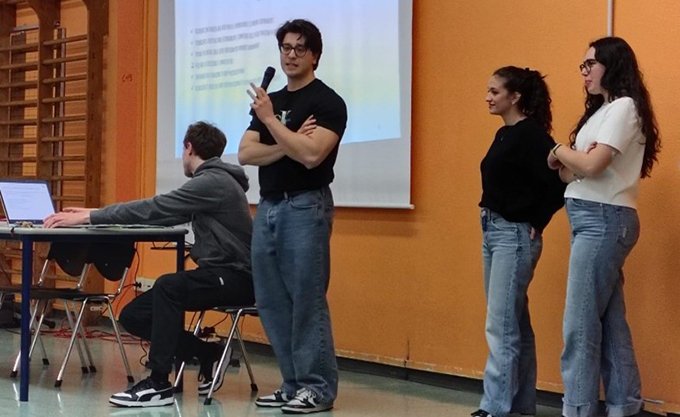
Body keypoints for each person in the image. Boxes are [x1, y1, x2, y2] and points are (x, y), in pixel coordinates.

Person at [45, 121, 255, 408]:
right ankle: (209, 353)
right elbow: (160, 214)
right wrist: (96, 212)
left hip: (238, 278)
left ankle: (158, 383)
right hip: (218, 275)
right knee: (133, 315)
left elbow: (155, 207)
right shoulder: (213, 182)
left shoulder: (213, 182)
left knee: (169, 286)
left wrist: (89, 218)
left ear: (188, 148)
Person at [237, 19, 347, 414]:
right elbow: (245, 154)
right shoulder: (273, 99)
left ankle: (317, 388)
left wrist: (271, 123)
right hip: (268, 206)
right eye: (286, 47)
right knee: (271, 301)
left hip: (305, 205)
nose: (291, 55)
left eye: (300, 48)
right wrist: (290, 142)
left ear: (315, 55)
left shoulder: (327, 102)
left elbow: (313, 155)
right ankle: (293, 384)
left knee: (306, 299)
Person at [547, 37, 660, 417]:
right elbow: (569, 173)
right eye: (582, 66)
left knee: (579, 324)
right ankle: (625, 406)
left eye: (590, 64)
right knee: (610, 324)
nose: (584, 72)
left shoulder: (624, 107)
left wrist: (557, 150)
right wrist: (574, 160)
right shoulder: (602, 111)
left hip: (603, 219)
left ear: (613, 65)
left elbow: (590, 166)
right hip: (593, 218)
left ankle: (578, 409)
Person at [472, 67, 566, 417]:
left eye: (495, 92)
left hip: (512, 235)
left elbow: (559, 183)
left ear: (515, 97)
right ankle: (520, 403)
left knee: (500, 325)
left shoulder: (532, 136)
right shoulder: (505, 133)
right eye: (488, 90)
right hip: (493, 231)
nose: (488, 97)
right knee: (514, 323)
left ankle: (495, 407)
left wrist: (538, 220)